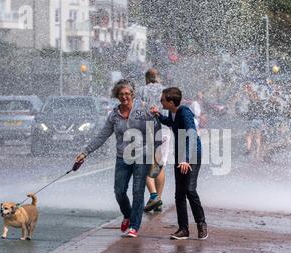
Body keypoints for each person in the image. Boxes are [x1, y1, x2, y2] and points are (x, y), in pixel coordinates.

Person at [75, 79, 158, 238]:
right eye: (121, 94)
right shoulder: (114, 115)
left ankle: (134, 226)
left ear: (132, 94)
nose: (124, 97)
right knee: (119, 191)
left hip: (142, 156)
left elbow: (155, 128)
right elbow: (102, 136)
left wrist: (154, 117)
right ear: (117, 96)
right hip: (123, 158)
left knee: (137, 191)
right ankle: (127, 215)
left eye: (127, 94)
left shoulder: (142, 109)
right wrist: (85, 152)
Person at [151, 87, 208, 240]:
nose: (160, 101)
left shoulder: (184, 112)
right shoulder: (172, 112)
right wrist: (158, 115)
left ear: (170, 102)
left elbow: (191, 133)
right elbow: (170, 122)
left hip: (192, 155)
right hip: (181, 156)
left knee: (190, 190)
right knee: (179, 193)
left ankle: (201, 224)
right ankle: (183, 229)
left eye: (162, 100)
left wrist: (186, 159)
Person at [137, 68, 170, 214]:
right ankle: (158, 200)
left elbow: (137, 110)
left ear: (146, 78)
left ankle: (154, 196)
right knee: (159, 165)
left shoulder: (142, 90)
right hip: (164, 130)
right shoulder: (166, 90)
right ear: (158, 78)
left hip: (148, 129)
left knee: (145, 163)